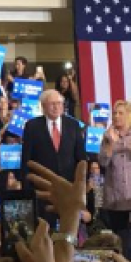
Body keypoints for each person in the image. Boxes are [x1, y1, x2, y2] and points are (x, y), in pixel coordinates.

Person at [21, 89, 86, 224]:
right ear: (43, 106)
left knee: (68, 227)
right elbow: (26, 159)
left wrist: (81, 185)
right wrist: (27, 189)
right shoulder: (32, 126)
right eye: (52, 104)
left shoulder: (73, 125)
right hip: (43, 188)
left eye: (59, 103)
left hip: (69, 187)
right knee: (45, 228)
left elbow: (81, 158)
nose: (56, 107)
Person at [98, 100, 131, 238]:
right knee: (121, 237)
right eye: (114, 113)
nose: (116, 116)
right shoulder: (106, 136)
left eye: (120, 113)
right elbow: (103, 162)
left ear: (129, 116)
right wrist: (110, 144)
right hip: (116, 196)